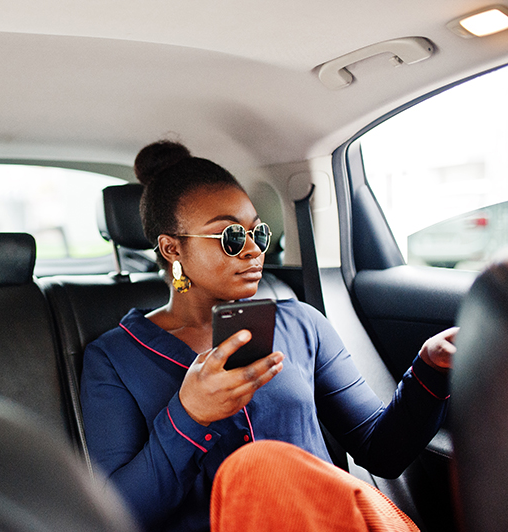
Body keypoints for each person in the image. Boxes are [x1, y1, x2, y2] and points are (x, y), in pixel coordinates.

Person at [80, 140, 455, 532]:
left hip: (325, 521)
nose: (253, 251)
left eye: (256, 233)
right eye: (230, 237)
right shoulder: (113, 357)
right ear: (172, 248)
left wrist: (429, 369)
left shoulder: (302, 324)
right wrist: (189, 415)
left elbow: (382, 452)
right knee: (256, 467)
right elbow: (116, 514)